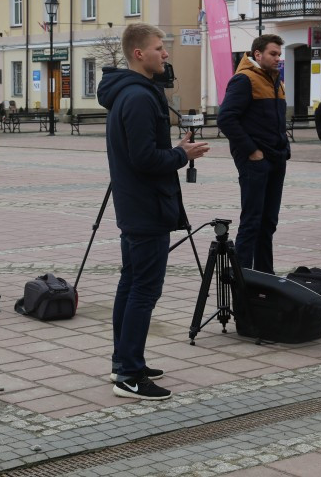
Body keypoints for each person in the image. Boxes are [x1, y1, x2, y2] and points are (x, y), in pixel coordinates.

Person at [97, 23, 209, 401]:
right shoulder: (140, 98)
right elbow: (144, 159)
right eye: (160, 48)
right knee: (143, 290)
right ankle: (129, 375)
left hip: (138, 205)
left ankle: (124, 362)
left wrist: (175, 149)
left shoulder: (129, 94)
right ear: (139, 54)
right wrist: (182, 155)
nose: (166, 54)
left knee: (131, 285)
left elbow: (140, 151)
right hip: (146, 207)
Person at [217, 34, 290, 273]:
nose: (278, 58)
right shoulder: (244, 79)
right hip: (256, 161)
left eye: (279, 54)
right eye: (273, 53)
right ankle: (243, 277)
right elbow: (226, 119)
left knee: (268, 223)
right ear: (257, 54)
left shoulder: (276, 80)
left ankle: (264, 276)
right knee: (252, 222)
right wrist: (252, 151)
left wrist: (284, 149)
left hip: (276, 159)